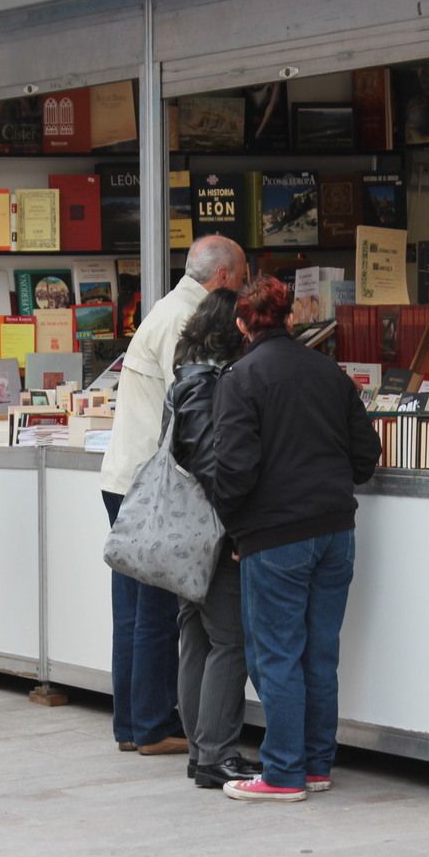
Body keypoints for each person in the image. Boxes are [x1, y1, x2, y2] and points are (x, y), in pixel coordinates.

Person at [211, 274, 382, 802]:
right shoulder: (330, 374)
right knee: (318, 654)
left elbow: (233, 470)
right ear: (290, 319)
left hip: (274, 534)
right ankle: (315, 763)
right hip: (335, 530)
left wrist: (236, 528)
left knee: (274, 655)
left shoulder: (240, 378)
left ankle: (283, 771)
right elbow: (365, 458)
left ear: (242, 324)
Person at [99, 235, 248, 755]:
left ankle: (130, 723)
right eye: (243, 275)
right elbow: (192, 406)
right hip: (157, 485)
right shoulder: (188, 322)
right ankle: (153, 726)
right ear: (225, 277)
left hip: (129, 479)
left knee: (133, 609)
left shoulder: (165, 310)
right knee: (157, 610)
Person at [162, 289, 262, 788]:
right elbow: (209, 466)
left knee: (197, 637)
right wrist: (240, 527)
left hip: (187, 532)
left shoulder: (187, 378)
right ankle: (216, 753)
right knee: (231, 639)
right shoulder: (205, 385)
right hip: (210, 533)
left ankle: (202, 749)